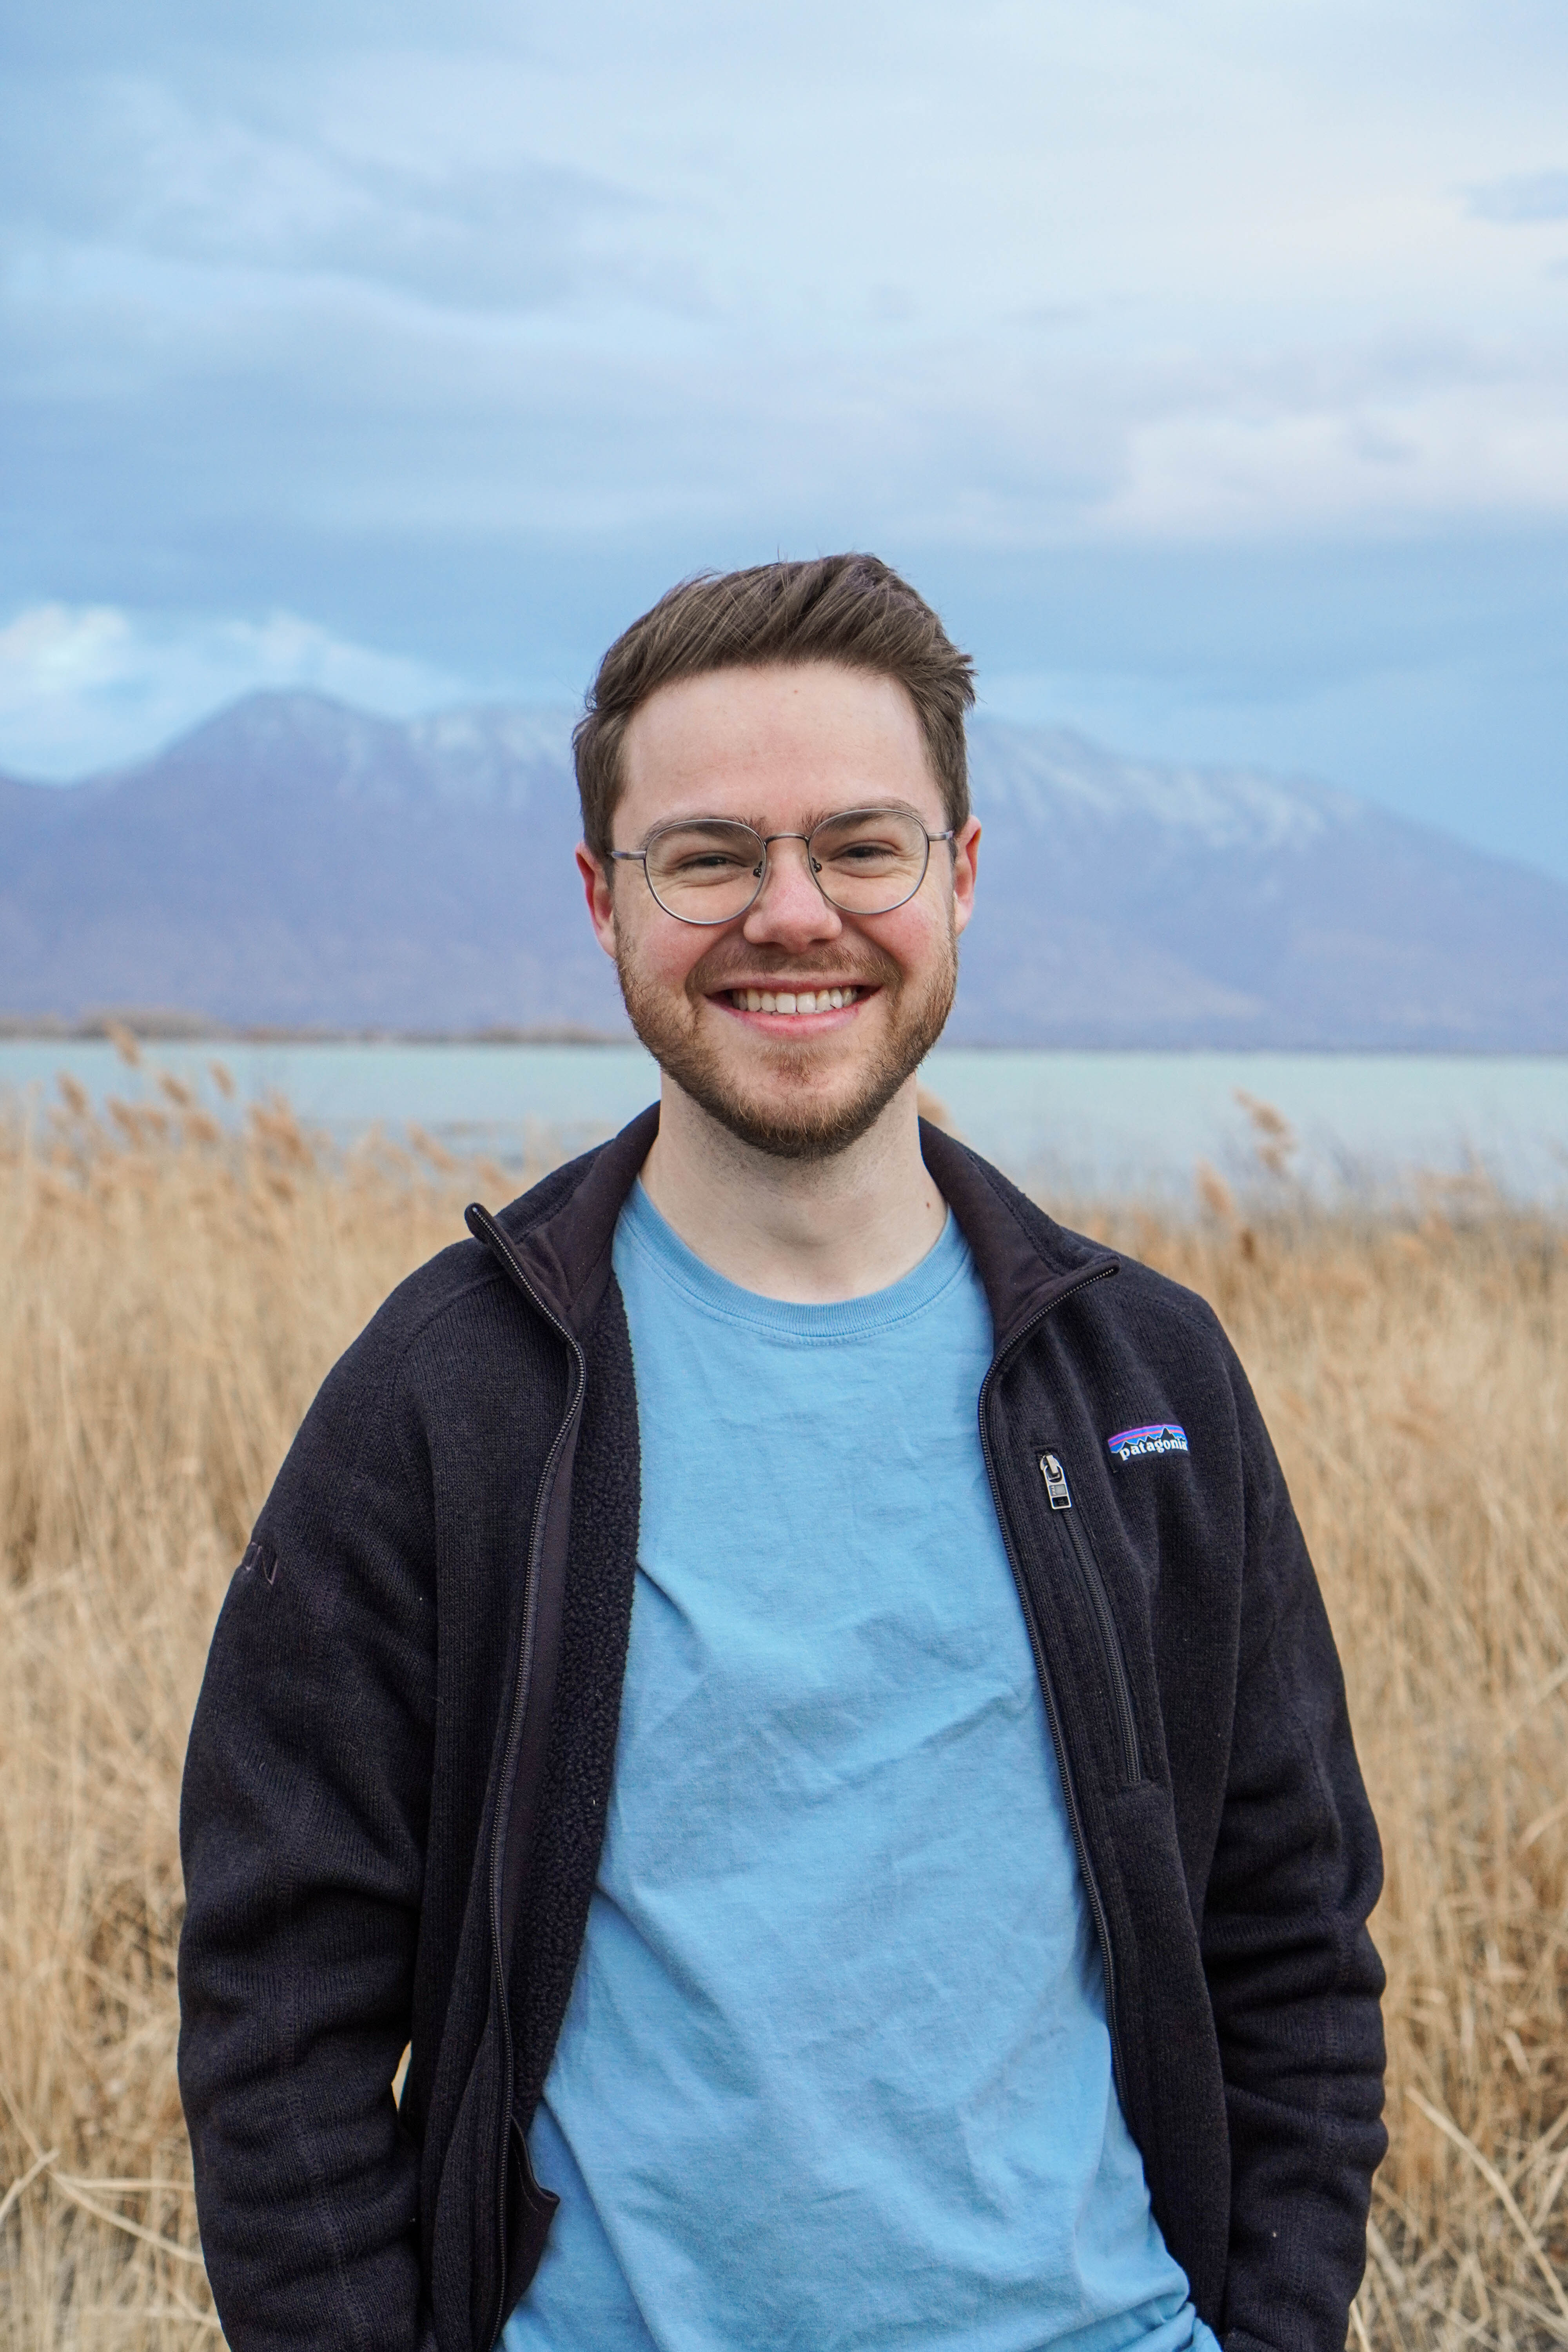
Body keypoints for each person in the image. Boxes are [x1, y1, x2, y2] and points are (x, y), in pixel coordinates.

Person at [178, 554, 1386, 2352]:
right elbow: (282, 1995)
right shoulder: (452, 1392)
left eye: (862, 847)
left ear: (961, 876)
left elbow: (1288, 1944)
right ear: (605, 900)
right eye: (710, 856)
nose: (791, 914)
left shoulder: (1143, 1381)